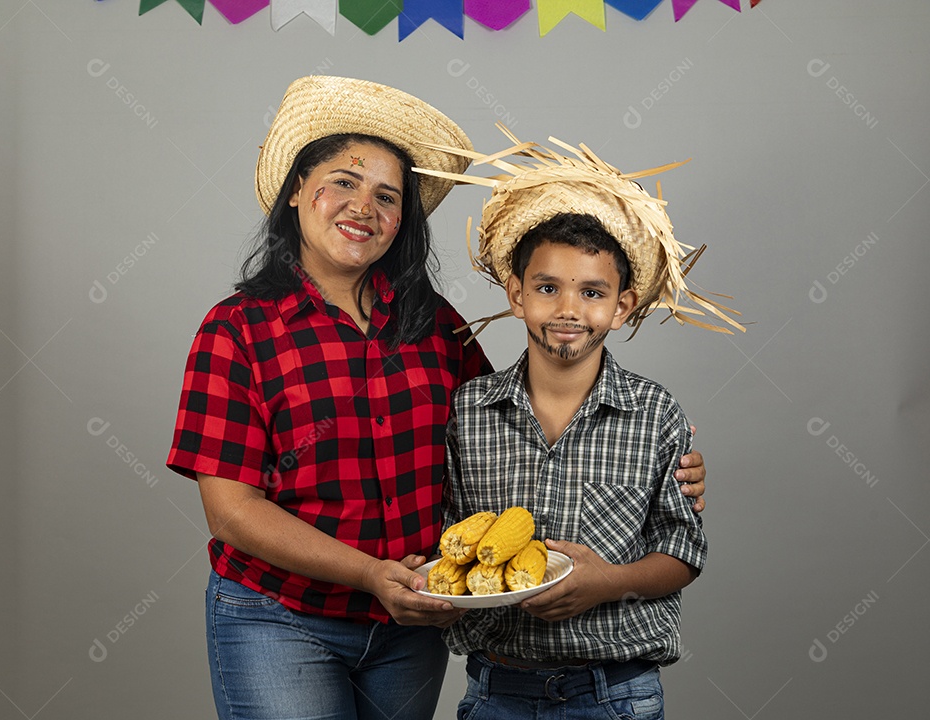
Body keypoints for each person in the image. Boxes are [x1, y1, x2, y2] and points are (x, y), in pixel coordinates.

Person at [165, 77, 709, 720]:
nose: (363, 207)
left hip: (412, 625)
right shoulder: (237, 331)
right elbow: (232, 513)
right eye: (343, 181)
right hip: (281, 615)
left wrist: (665, 465)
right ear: (296, 190)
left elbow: (515, 421)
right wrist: (369, 573)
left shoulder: (434, 325)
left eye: (386, 196)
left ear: (404, 219)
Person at [426, 134, 743, 719]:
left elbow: (682, 550)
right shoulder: (469, 412)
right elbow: (446, 532)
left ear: (622, 306)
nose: (568, 309)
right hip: (498, 688)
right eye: (547, 288)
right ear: (517, 295)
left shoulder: (654, 414)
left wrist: (606, 583)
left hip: (615, 692)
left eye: (592, 292)